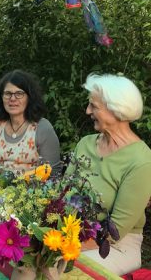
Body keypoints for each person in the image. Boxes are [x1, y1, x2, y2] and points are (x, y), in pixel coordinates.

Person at [68, 74, 151, 275]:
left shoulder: (141, 160)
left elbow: (116, 231)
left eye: (93, 106)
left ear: (116, 108)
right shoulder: (85, 144)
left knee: (63, 269)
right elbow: (63, 192)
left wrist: (67, 248)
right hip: (70, 234)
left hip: (115, 246)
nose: (88, 111)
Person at [0, 70, 61, 174]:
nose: (12, 98)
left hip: (35, 189)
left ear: (29, 97)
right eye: (8, 93)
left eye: (19, 93)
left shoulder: (42, 128)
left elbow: (53, 173)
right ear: (1, 97)